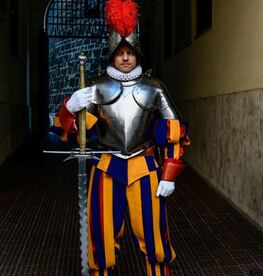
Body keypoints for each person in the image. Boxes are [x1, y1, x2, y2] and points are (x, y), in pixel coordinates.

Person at [52, 0, 190, 275]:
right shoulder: (96, 86)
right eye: (120, 53)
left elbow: (173, 133)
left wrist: (169, 175)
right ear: (112, 55)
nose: (125, 57)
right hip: (106, 167)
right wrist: (70, 108)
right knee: (102, 237)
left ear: (138, 55)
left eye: (130, 52)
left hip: (146, 167)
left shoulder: (155, 88)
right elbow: (69, 134)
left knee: (153, 236)